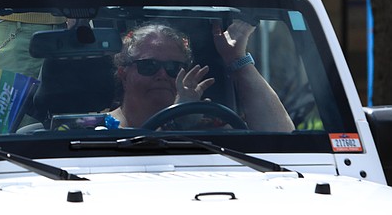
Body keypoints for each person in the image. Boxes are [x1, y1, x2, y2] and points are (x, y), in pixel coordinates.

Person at [107, 21, 295, 132]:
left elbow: (285, 139)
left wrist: (237, 58)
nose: (162, 74)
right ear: (123, 73)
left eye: (173, 67)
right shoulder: (98, 130)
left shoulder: (208, 127)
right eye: (149, 65)